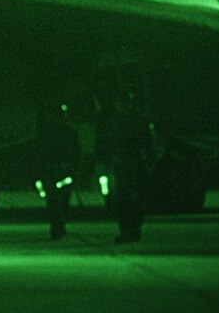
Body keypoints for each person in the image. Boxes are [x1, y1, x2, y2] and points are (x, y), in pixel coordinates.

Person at [94, 62, 152, 244]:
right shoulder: (115, 121)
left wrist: (148, 159)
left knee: (133, 200)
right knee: (119, 200)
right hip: (120, 166)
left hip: (133, 166)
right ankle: (127, 229)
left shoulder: (135, 121)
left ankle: (132, 229)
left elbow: (146, 143)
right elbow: (105, 143)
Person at [35, 96, 80, 239]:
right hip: (54, 170)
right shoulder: (49, 134)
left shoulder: (66, 134)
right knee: (55, 200)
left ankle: (58, 225)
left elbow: (76, 153)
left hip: (60, 170)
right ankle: (57, 225)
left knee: (59, 199)